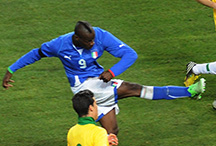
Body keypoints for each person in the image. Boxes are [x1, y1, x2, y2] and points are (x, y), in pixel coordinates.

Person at [3, 21, 204, 135]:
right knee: (133, 88)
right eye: (88, 42)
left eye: (93, 40)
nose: (93, 44)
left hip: (99, 81)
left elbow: (131, 54)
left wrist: (112, 72)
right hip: (83, 86)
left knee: (112, 132)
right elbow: (35, 53)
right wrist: (12, 69)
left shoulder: (100, 35)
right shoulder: (60, 45)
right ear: (76, 39)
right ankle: (189, 91)